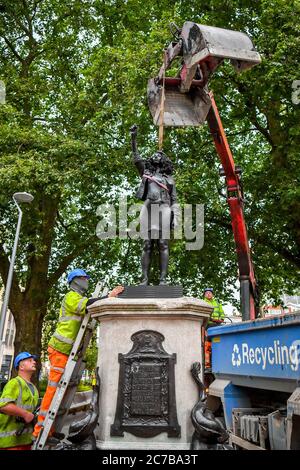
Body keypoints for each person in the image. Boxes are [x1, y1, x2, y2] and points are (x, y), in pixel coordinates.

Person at [33, 268, 123, 439]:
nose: (87, 280)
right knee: (53, 391)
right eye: (84, 277)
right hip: (60, 349)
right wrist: (108, 297)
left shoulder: (79, 297)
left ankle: (50, 430)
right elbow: (86, 306)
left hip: (68, 352)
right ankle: (39, 432)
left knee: (61, 392)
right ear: (75, 280)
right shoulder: (71, 296)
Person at [130, 124, 177, 285]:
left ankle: (163, 279)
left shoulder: (169, 180)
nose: (156, 155)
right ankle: (144, 279)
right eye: (154, 154)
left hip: (164, 207)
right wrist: (133, 138)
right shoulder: (146, 173)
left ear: (163, 160)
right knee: (147, 243)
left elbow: (174, 200)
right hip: (149, 207)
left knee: (163, 243)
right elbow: (136, 158)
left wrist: (175, 217)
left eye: (159, 154)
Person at [0, 352, 39, 450]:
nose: (34, 362)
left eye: (33, 360)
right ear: (21, 366)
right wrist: (25, 414)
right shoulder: (14, 383)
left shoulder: (33, 388)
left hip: (26, 441)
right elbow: (4, 406)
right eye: (30, 360)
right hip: (10, 443)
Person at [202, 288, 225, 370]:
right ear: (204, 295)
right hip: (208, 326)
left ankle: (218, 362)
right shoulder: (203, 303)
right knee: (208, 344)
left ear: (212, 294)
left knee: (217, 342)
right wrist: (212, 319)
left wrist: (221, 319)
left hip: (218, 326)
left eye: (210, 293)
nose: (208, 294)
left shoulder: (217, 303)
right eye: (206, 293)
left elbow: (222, 313)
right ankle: (207, 364)